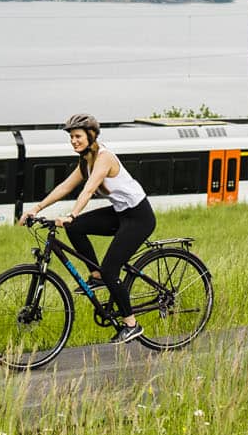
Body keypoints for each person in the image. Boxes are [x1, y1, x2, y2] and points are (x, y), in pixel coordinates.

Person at [23, 112, 154, 341]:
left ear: (91, 136)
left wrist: (73, 214)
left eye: (77, 136)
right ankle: (96, 276)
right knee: (75, 229)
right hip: (121, 214)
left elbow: (89, 189)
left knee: (111, 269)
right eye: (71, 137)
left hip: (139, 217)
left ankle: (131, 324)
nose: (74, 141)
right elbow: (65, 187)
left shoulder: (104, 158)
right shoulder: (86, 162)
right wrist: (37, 208)